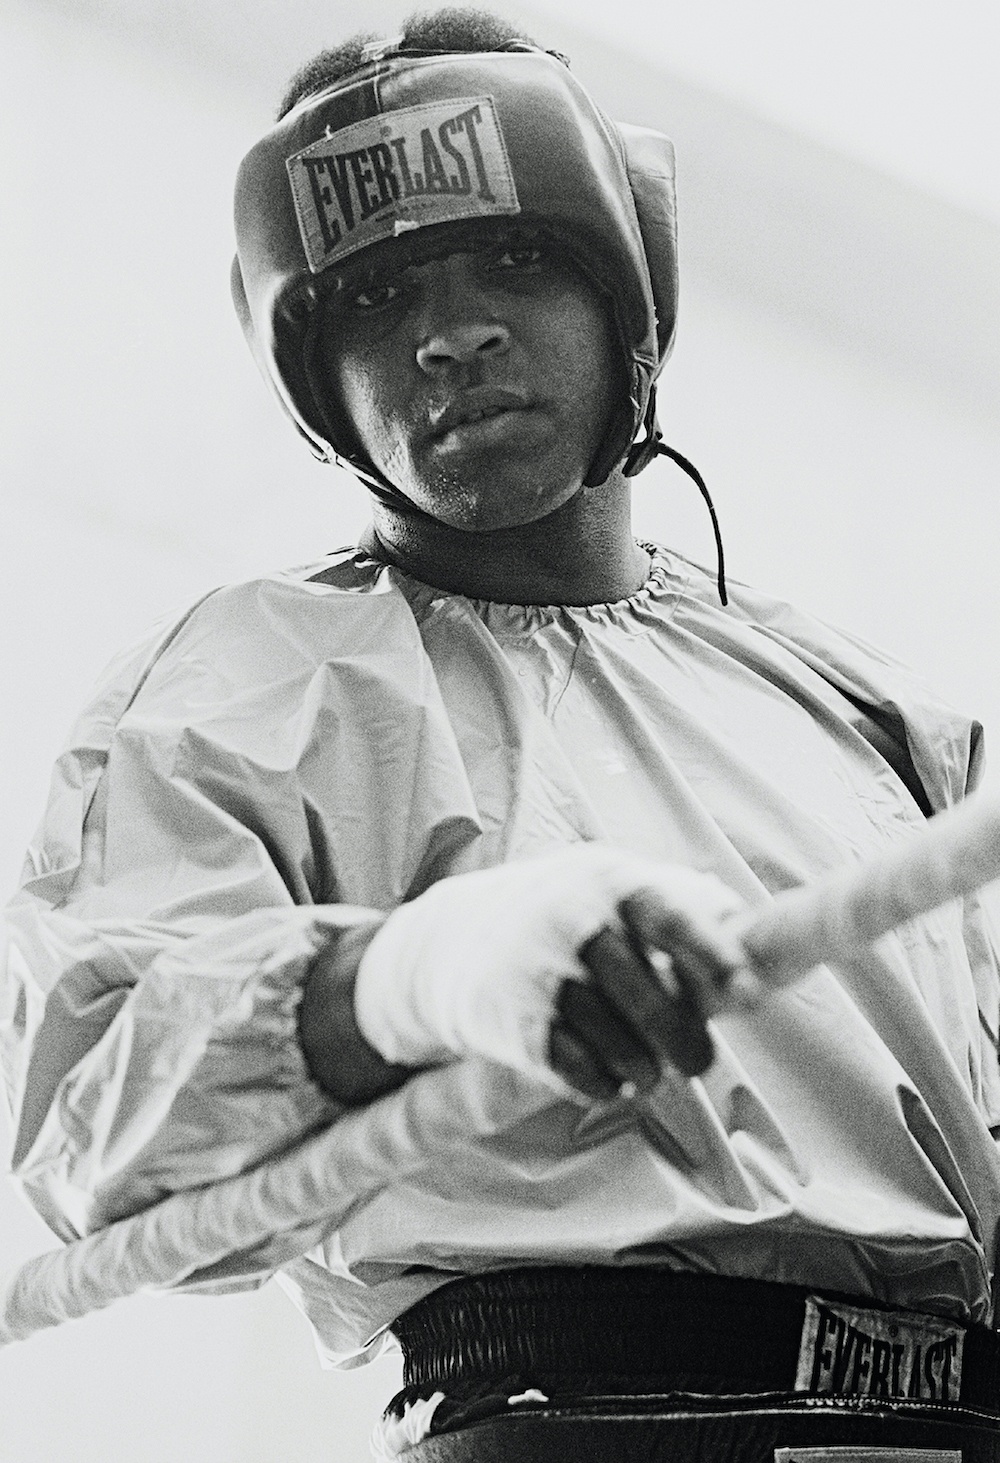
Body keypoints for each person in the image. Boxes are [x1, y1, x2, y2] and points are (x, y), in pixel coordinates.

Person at [3, 8, 1000, 1459]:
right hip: (563, 1420)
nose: (451, 333)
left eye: (518, 261)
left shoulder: (876, 711)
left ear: (627, 288)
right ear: (313, 375)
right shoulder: (243, 685)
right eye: (378, 294)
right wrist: (414, 977)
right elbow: (101, 1133)